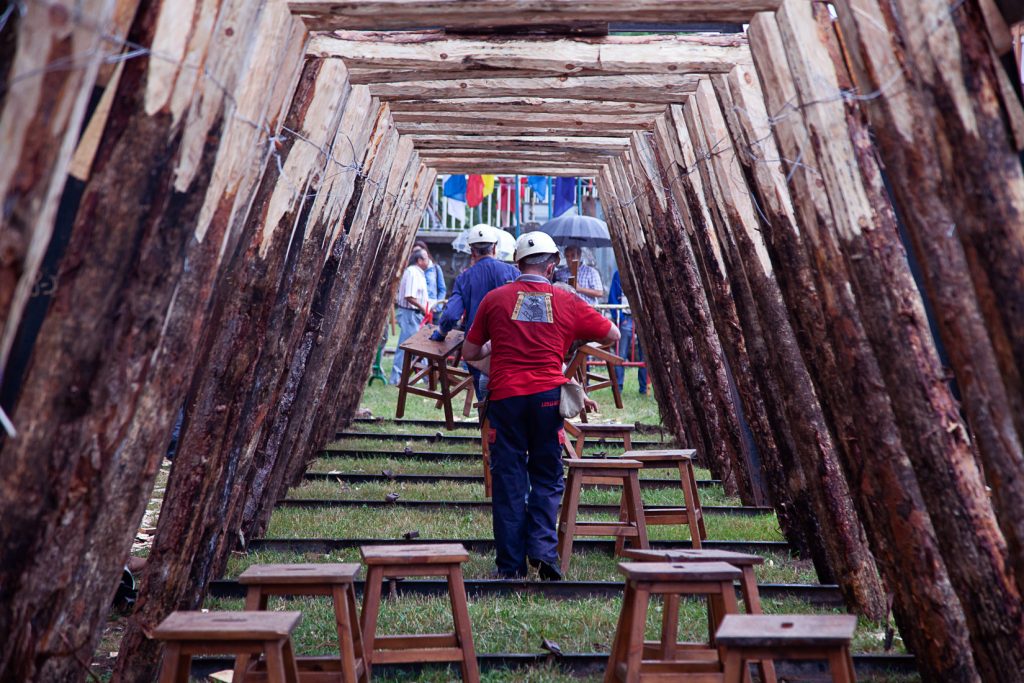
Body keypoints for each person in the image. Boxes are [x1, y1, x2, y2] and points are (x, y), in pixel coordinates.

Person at [462, 231, 620, 580]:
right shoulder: (566, 300)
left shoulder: (495, 299)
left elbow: (470, 353)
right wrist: (567, 343)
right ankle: (544, 551)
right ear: (551, 267)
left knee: (508, 478)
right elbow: (613, 335)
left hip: (505, 399)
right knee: (548, 476)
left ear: (518, 264)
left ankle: (510, 566)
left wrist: (497, 358)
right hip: (549, 398)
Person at [432, 224, 519, 397]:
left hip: (477, 349)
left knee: (484, 401)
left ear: (472, 251)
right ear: (494, 248)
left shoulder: (465, 277)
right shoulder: (513, 272)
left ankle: (485, 421)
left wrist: (440, 333)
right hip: (510, 347)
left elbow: (450, 315)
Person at [389, 248, 430, 385]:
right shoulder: (412, 272)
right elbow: (409, 296)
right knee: (406, 346)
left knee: (418, 346)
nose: (428, 260)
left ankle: (426, 376)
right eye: (426, 258)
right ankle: (396, 377)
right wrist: (423, 308)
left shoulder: (418, 272)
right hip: (409, 313)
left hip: (414, 314)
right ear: (419, 260)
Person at [608, 270, 648, 395]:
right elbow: (613, 297)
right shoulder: (619, 273)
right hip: (625, 316)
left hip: (642, 317)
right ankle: (618, 387)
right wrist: (619, 316)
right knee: (621, 353)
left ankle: (644, 387)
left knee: (645, 353)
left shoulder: (644, 270)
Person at [415, 240, 447, 315]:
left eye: (419, 252)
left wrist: (438, 306)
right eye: (414, 253)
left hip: (432, 310)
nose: (417, 255)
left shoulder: (435, 268)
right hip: (416, 310)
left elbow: (442, 289)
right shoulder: (411, 271)